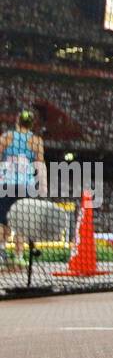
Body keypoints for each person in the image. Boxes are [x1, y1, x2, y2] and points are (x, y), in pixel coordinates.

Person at [0, 109, 47, 266]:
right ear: (32, 124)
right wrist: (42, 185)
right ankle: (19, 256)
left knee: (2, 221)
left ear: (17, 121)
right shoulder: (36, 141)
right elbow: (40, 164)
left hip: (5, 184)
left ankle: (1, 252)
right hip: (25, 186)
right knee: (21, 221)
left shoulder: (7, 137)